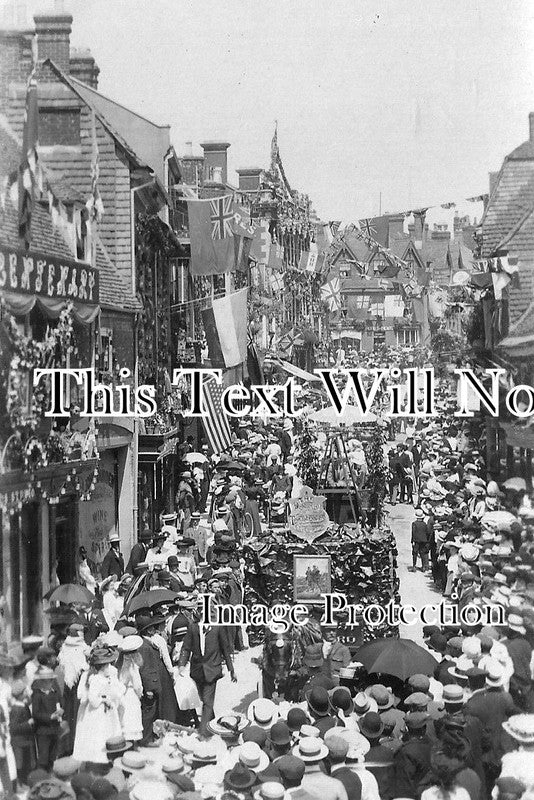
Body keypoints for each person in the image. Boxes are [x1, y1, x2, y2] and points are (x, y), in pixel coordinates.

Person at [178, 614, 236, 736]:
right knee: (204, 700)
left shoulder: (217, 628)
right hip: (197, 671)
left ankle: (203, 733)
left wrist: (231, 670)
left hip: (212, 671)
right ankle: (213, 724)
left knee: (207, 703)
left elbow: (225, 649)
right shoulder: (193, 628)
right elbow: (186, 648)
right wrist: (181, 664)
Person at [73, 642, 123, 765]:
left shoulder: (107, 678)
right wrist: (103, 700)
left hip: (107, 712)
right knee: (98, 733)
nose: (109, 669)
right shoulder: (95, 680)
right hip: (97, 712)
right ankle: (98, 758)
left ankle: (107, 757)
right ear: (102, 667)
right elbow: (93, 699)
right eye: (107, 666)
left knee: (108, 731)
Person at [32, 667, 64, 771]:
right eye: (46, 681)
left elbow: (61, 704)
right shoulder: (37, 695)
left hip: (54, 729)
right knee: (43, 756)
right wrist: (50, 717)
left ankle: (50, 773)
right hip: (43, 730)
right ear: (41, 682)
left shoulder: (54, 693)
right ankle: (42, 774)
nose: (49, 683)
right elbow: (36, 714)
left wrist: (61, 711)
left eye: (51, 681)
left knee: (52, 754)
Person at [117, 635, 143, 747]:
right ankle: (133, 745)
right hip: (131, 695)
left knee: (124, 720)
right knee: (133, 720)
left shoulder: (120, 665)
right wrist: (140, 693)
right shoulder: (133, 667)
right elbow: (137, 685)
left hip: (123, 695)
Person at [9, 679, 35, 787]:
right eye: (24, 692)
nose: (26, 693)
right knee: (19, 763)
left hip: (25, 740)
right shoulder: (16, 709)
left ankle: (24, 782)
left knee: (25, 762)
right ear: (19, 694)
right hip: (19, 741)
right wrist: (28, 723)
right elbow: (13, 727)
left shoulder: (22, 705)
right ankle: (19, 783)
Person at [410, 508, 430, 573]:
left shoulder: (414, 524)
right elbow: (427, 532)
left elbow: (413, 532)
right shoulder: (424, 524)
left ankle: (414, 566)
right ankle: (423, 566)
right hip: (423, 540)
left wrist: (412, 540)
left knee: (415, 553)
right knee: (422, 553)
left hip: (416, 540)